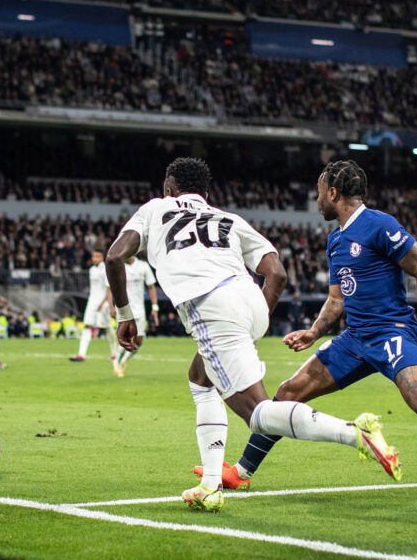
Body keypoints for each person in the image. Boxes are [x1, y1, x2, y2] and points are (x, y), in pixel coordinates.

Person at [206, 160, 417, 505]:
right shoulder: (336, 240)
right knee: (288, 392)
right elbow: (337, 298)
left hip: (392, 333)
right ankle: (240, 474)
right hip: (355, 338)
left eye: (320, 192)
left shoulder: (380, 225)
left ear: (333, 192)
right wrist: (314, 332)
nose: (317, 199)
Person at [106, 157, 400, 513]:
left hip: (212, 306)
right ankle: (210, 485)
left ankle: (355, 432)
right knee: (200, 378)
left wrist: (125, 315)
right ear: (206, 193)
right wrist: (254, 318)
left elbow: (115, 256)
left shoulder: (156, 209)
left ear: (168, 189)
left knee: (258, 414)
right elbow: (276, 272)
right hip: (250, 300)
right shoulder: (227, 218)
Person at [111, 254, 159, 377]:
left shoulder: (143, 266)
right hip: (123, 308)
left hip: (139, 309)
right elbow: (113, 288)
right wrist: (112, 306)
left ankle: (122, 361)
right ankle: (117, 362)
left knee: (139, 341)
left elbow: (151, 286)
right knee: (126, 338)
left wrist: (155, 306)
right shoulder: (118, 267)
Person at [70, 250, 113, 362]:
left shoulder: (106, 269)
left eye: (97, 256)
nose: (95, 258)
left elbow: (109, 288)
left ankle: (115, 353)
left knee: (107, 327)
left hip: (103, 303)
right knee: (87, 326)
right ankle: (81, 354)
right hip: (92, 302)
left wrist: (105, 303)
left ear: (102, 257)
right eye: (94, 256)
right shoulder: (92, 270)